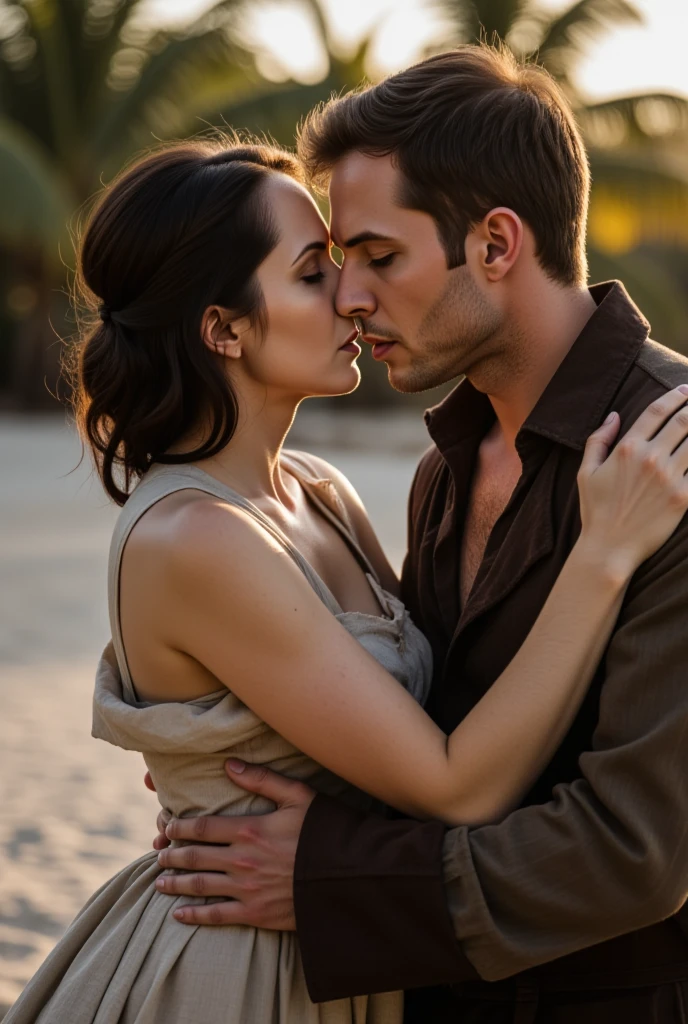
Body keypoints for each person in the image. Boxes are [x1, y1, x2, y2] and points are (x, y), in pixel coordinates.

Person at [6, 127, 688, 1024]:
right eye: (315, 274)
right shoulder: (194, 539)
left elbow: (425, 701)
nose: (354, 299)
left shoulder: (321, 493)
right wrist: (601, 556)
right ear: (224, 329)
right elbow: (454, 782)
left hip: (353, 945)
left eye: (361, 261)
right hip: (243, 963)